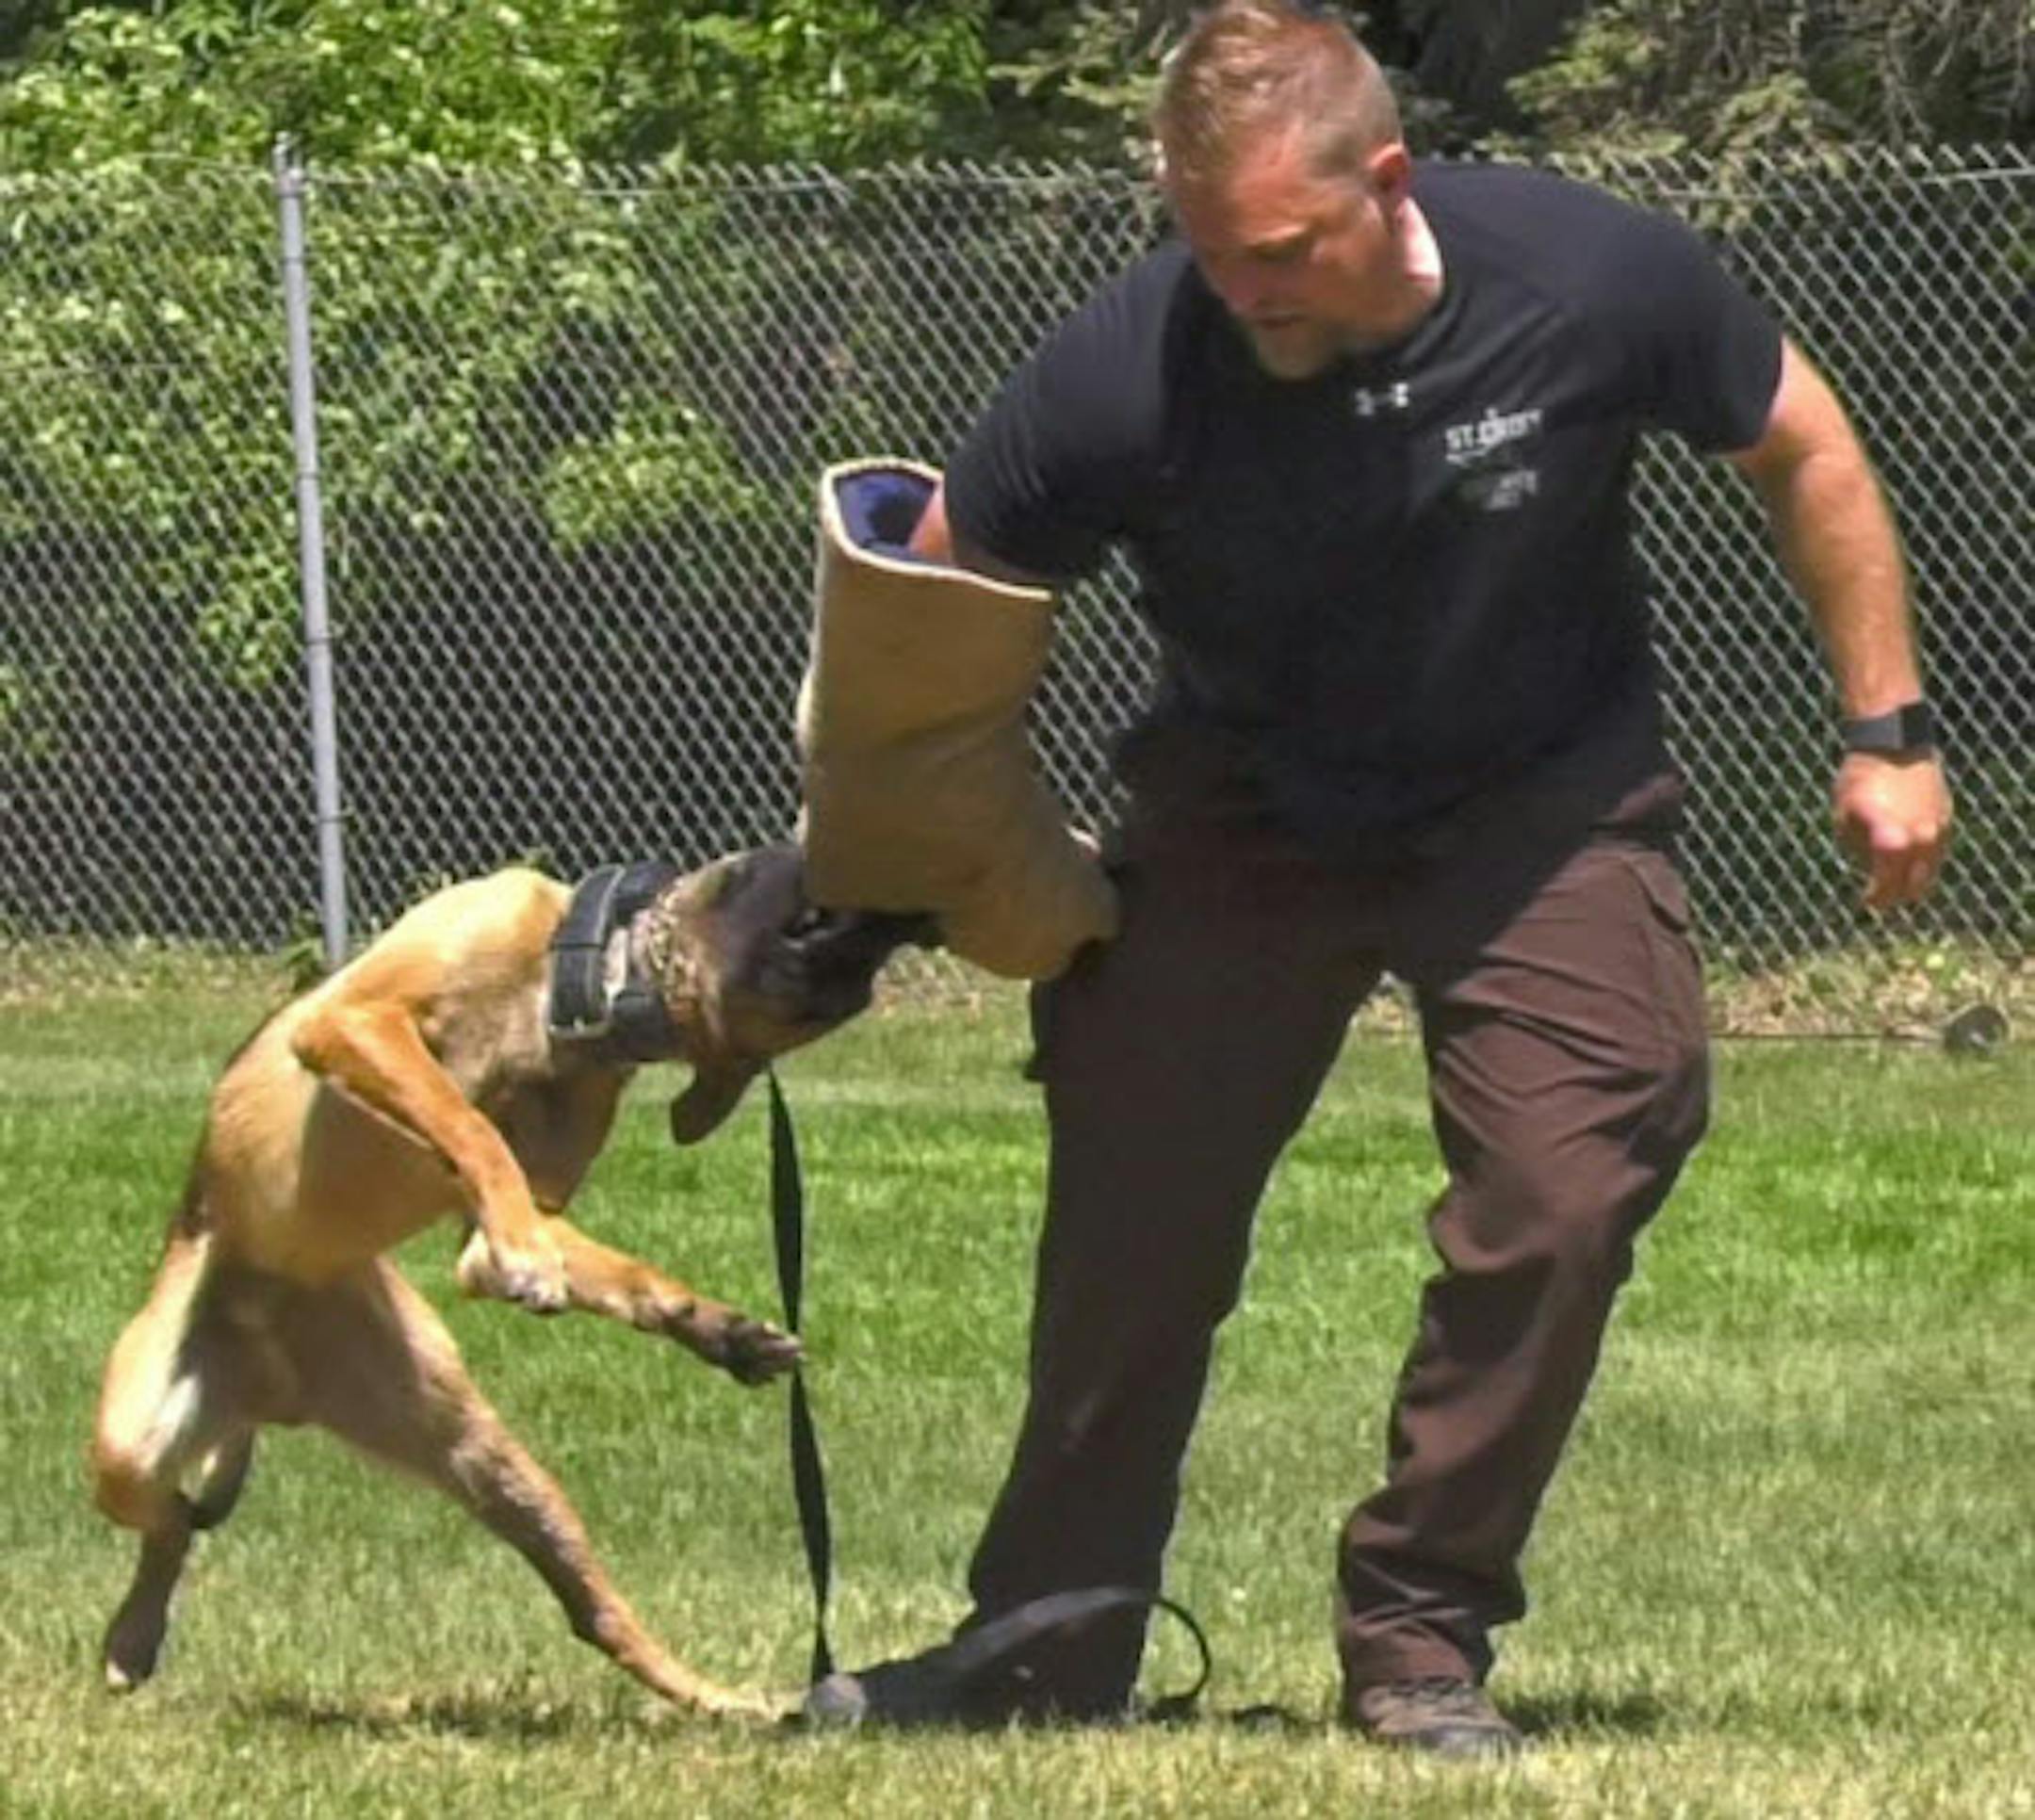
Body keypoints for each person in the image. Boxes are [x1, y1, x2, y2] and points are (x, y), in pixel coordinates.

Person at [802, 0, 1952, 1757]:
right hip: (1242, 812)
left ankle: (1419, 1632)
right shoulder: (1131, 365)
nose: (1242, 289)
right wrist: (901, 871)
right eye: (1208, 249)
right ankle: (1048, 1640)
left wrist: (1887, 730)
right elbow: (932, 612)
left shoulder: (1582, 275)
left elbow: (1802, 444)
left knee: (1571, 1182)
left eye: (1279, 252)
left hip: (1539, 801)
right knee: (1133, 1231)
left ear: (1388, 181)